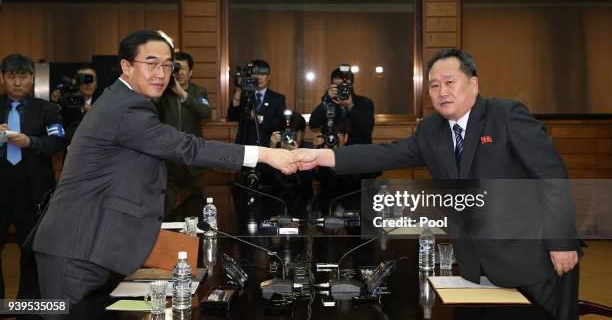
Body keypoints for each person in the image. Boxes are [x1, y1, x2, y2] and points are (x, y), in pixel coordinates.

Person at [295, 48, 580, 320]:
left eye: (450, 82)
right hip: (478, 269)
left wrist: (562, 241)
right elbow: (385, 153)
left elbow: (552, 177)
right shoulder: (432, 130)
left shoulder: (506, 116)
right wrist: (324, 156)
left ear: (473, 84)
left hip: (537, 262)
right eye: (433, 86)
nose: (442, 92)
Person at [31, 30, 296, 318]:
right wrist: (265, 154)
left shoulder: (125, 99)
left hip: (92, 240)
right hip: (76, 246)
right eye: (152, 63)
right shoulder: (126, 106)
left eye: (168, 65)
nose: (161, 73)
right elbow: (186, 147)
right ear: (127, 66)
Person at [0, 53, 66, 301]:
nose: (17, 83)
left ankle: (27, 310)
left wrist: (31, 141)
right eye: (12, 76)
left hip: (34, 191)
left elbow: (58, 141)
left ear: (32, 78)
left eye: (23, 77)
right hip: (1, 187)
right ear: (3, 78)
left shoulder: (46, 109)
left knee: (32, 252)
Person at [155, 51, 211, 220]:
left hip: (193, 161)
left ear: (191, 72)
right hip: (169, 161)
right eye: (175, 67)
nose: (178, 72)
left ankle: (195, 243)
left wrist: (183, 95)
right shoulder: (163, 93)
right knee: (167, 210)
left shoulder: (199, 92)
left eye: (182, 68)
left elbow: (205, 112)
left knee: (195, 208)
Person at [227, 59, 286, 147]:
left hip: (268, 146)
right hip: (245, 146)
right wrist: (238, 91)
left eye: (263, 74)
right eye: (255, 73)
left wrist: (259, 118)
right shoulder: (244, 96)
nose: (259, 77)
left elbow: (280, 123)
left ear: (269, 77)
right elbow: (232, 117)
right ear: (250, 76)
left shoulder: (278, 98)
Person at [309, 67, 374, 145]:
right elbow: (313, 124)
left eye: (345, 85)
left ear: (351, 85)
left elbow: (367, 129)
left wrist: (350, 106)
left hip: (358, 151)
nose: (342, 88)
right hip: (333, 150)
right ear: (332, 85)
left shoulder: (365, 103)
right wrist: (326, 99)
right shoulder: (330, 102)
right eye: (338, 86)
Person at [50, 66, 98, 143]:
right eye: (84, 79)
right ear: (76, 82)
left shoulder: (105, 103)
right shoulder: (65, 104)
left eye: (91, 79)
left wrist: (88, 109)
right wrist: (54, 104)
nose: (88, 84)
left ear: (96, 84)